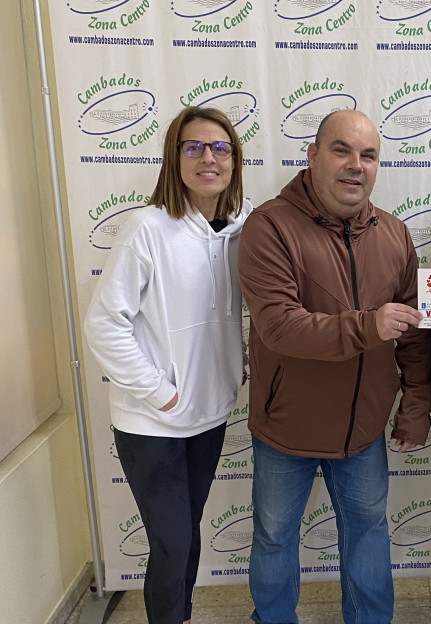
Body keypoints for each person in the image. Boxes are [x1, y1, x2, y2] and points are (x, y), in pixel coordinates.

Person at [237, 109, 431, 624]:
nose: (356, 165)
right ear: (313, 156)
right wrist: (369, 325)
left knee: (368, 531)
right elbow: (280, 325)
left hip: (363, 430)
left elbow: (413, 332)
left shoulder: (394, 233)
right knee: (275, 537)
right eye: (342, 150)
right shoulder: (269, 226)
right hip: (286, 429)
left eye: (368, 155)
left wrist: (415, 406)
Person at [83, 106, 250, 624]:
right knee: (173, 543)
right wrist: (159, 391)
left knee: (187, 538)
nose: (208, 158)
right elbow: (103, 323)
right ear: (173, 159)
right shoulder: (146, 228)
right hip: (151, 422)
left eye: (220, 148)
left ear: (234, 162)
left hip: (208, 416)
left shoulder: (242, 231)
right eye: (193, 147)